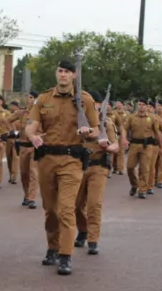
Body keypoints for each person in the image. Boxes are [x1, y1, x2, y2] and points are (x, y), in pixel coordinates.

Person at [25, 59, 99, 275]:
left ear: (74, 75)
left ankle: (66, 255)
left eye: (67, 71)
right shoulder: (44, 98)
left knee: (66, 209)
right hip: (46, 159)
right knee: (50, 210)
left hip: (71, 160)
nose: (63, 75)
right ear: (56, 73)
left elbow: (96, 131)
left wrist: (88, 133)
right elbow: (31, 125)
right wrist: (33, 137)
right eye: (60, 71)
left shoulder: (84, 99)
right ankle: (52, 247)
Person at [74, 90, 119, 255]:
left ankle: (93, 239)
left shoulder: (106, 123)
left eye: (95, 104)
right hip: (78, 166)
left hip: (98, 167)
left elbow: (116, 146)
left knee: (94, 204)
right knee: (75, 205)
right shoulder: (78, 123)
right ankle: (83, 230)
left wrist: (108, 146)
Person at [120, 99, 162, 200]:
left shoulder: (152, 118)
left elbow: (157, 132)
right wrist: (124, 139)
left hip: (147, 146)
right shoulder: (132, 117)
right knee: (130, 167)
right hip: (134, 144)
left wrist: (160, 146)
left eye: (143, 105)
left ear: (147, 106)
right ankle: (134, 185)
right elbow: (125, 128)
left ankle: (142, 190)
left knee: (144, 168)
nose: (141, 106)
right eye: (139, 104)